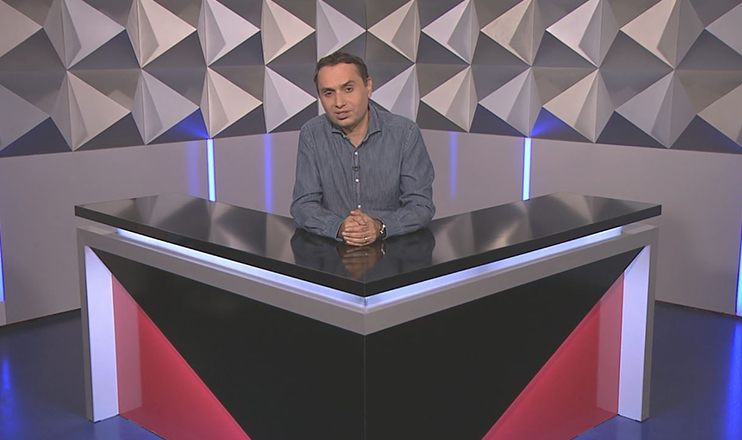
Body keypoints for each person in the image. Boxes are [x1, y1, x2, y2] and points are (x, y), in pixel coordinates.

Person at [290, 51, 435, 246]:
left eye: (348, 89)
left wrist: (379, 226)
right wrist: (339, 227)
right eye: (328, 93)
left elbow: (420, 204)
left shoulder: (405, 133)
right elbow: (303, 205)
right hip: (332, 252)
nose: (339, 103)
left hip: (394, 251)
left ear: (368, 86)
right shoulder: (312, 134)